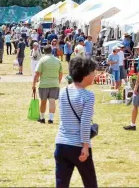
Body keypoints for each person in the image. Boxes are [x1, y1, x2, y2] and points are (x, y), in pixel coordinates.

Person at [55, 56, 98, 188]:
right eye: (93, 72)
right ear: (85, 74)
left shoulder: (63, 91)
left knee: (61, 184)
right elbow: (85, 123)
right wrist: (85, 145)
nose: (94, 75)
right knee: (90, 183)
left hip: (61, 143)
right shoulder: (88, 96)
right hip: (78, 145)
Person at [33, 45, 63, 124]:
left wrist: (33, 84)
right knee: (52, 101)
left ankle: (42, 118)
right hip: (55, 84)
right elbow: (61, 73)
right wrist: (58, 82)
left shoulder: (42, 60)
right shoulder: (57, 60)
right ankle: (51, 119)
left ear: (44, 51)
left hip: (44, 84)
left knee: (43, 101)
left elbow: (37, 74)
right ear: (51, 50)